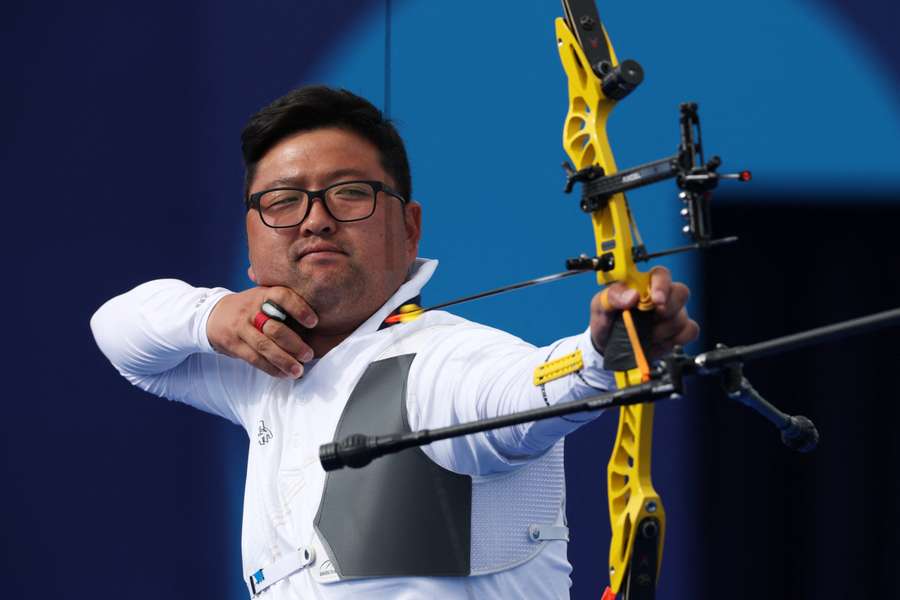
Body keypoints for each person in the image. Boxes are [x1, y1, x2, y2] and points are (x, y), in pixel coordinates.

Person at [91, 85, 697, 598]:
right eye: (282, 201)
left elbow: (517, 393)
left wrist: (599, 356)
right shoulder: (263, 368)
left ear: (410, 229)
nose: (315, 218)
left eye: (349, 192)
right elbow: (119, 332)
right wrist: (212, 314)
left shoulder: (443, 361)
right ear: (251, 242)